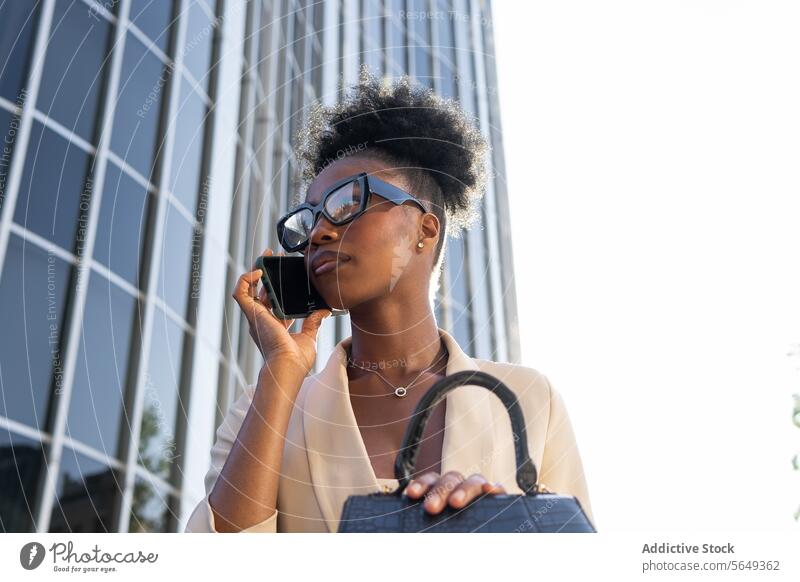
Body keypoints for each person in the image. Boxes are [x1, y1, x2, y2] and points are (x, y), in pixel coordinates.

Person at [184, 67, 594, 533]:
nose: (319, 231)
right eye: (308, 217)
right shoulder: (271, 406)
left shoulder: (528, 399)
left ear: (424, 228)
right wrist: (281, 366)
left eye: (345, 202)